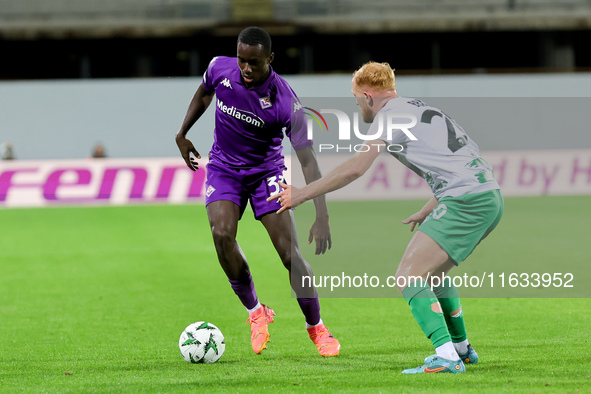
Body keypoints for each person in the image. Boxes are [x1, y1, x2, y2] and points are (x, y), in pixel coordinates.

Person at [269, 61, 503, 373]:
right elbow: (463, 160)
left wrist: (301, 193)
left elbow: (355, 167)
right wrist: (429, 207)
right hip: (488, 195)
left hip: (466, 201)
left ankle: (447, 358)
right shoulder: (421, 109)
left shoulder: (388, 117)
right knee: (433, 274)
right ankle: (461, 349)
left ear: (367, 96)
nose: (358, 107)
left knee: (409, 275)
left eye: (355, 100)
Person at [175, 26, 340, 357]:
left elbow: (308, 163)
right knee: (222, 235)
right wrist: (182, 133)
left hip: (266, 173)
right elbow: (204, 92)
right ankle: (256, 312)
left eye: (254, 63)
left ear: (270, 59)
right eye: (242, 61)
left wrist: (321, 216)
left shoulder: (286, 103)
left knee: (290, 255)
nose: (246, 69)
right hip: (224, 169)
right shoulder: (220, 68)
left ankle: (317, 327)